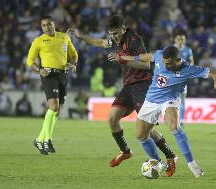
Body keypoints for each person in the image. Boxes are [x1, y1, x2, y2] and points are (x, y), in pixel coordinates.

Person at [67, 15, 177, 176]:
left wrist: (123, 60)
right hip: (128, 86)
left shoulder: (134, 40)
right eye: (111, 34)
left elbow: (146, 65)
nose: (114, 37)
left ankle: (170, 156)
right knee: (112, 118)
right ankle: (125, 151)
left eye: (117, 33)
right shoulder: (115, 39)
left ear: (124, 29)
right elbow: (100, 42)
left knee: (146, 129)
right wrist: (80, 36)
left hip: (142, 85)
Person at [120, 45, 216, 177]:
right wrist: (126, 57)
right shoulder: (159, 55)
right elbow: (146, 57)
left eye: (168, 63)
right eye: (164, 62)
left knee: (174, 126)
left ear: (177, 59)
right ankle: (157, 161)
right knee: (141, 136)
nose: (166, 65)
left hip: (169, 100)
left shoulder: (188, 69)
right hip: (151, 100)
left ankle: (192, 164)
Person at [27, 15, 78, 155]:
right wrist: (39, 70)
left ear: (53, 24)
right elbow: (30, 61)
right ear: (41, 27)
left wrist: (73, 64)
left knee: (57, 111)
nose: (46, 27)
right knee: (53, 106)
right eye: (43, 25)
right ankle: (47, 140)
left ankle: (39, 140)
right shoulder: (38, 41)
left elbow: (74, 54)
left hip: (62, 75)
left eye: (48, 24)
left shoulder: (64, 37)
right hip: (48, 75)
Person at [173, 33, 194, 127]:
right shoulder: (171, 49)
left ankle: (181, 121)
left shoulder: (188, 50)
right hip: (172, 78)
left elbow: (192, 62)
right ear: (175, 40)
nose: (181, 41)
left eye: (182, 40)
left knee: (182, 99)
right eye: (179, 40)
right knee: (172, 99)